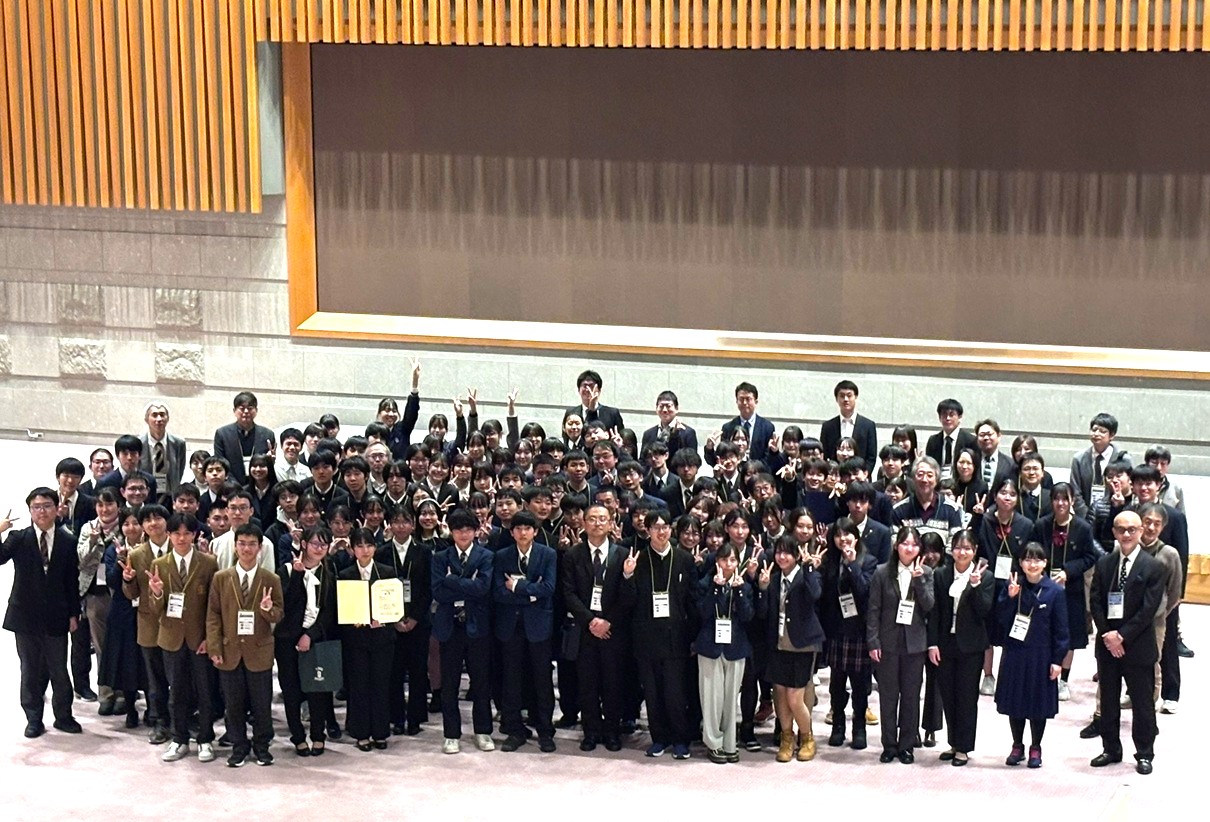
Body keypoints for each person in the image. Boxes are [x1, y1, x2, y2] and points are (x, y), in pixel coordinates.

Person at [0, 488, 82, 738]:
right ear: (30, 511)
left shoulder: (68, 540)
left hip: (57, 614)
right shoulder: (18, 538)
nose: (42, 511)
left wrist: (74, 614)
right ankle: (33, 718)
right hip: (24, 616)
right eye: (36, 507)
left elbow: (72, 580)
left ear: (57, 509)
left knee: (59, 669)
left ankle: (64, 716)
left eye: (47, 506)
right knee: (30, 669)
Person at [1089, 511, 1163, 775]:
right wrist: (1108, 634)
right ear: (1114, 533)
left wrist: (1122, 636)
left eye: (1132, 529)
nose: (1127, 534)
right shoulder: (1105, 563)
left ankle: (1144, 752)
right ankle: (1111, 748)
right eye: (1121, 529)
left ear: (1141, 531)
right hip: (1107, 645)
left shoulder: (1153, 566)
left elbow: (1148, 610)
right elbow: (1095, 601)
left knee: (1142, 703)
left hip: (1137, 646)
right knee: (1108, 701)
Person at [619, 508, 696, 760]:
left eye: (665, 527)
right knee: (652, 692)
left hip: (676, 637)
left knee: (676, 693)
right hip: (646, 637)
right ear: (648, 530)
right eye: (656, 527)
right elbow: (627, 602)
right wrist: (627, 575)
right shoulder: (637, 559)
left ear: (670, 530)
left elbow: (691, 601)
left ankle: (680, 739)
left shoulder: (683, 558)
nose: (661, 532)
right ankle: (659, 738)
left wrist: (692, 637)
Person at [205, 523, 284, 767]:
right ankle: (238, 746)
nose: (247, 549)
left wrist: (268, 610)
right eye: (242, 544)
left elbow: (279, 614)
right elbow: (213, 615)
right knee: (233, 704)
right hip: (230, 649)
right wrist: (214, 648)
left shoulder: (271, 579)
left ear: (260, 548)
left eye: (252, 544)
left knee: (262, 704)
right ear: (235, 547)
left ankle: (262, 746)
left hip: (259, 650)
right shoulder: (221, 578)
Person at [149, 512, 219, 763]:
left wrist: (210, 638)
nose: (181, 538)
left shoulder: (208, 563)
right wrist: (157, 593)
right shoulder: (160, 564)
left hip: (199, 639)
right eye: (176, 533)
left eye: (187, 533)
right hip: (171, 637)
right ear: (168, 535)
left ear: (195, 535)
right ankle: (179, 739)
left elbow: (214, 606)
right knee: (176, 692)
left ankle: (205, 739)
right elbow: (156, 609)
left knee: (204, 691)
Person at [995, 542, 1069, 769]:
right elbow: (1000, 620)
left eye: (1037, 560)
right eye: (1027, 559)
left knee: (1038, 704)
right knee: (1015, 701)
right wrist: (1010, 598)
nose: (1032, 564)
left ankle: (1036, 746)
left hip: (1042, 655)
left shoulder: (1055, 591)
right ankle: (1017, 745)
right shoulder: (1013, 585)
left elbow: (1061, 630)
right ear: (1020, 563)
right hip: (1015, 652)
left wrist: (1057, 661)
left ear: (1045, 563)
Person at [562, 504, 628, 752]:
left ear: (611, 523)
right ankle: (590, 731)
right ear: (584, 523)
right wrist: (590, 621)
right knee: (587, 684)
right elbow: (568, 593)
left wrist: (608, 621)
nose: (597, 523)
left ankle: (612, 731)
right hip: (584, 629)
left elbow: (628, 595)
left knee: (613, 683)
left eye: (602, 519)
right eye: (592, 519)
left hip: (613, 630)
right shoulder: (573, 554)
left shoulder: (623, 554)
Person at [866, 526, 934, 764]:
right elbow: (873, 609)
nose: (909, 548)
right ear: (896, 546)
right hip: (887, 642)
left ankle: (906, 745)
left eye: (914, 544)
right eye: (905, 543)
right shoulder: (882, 572)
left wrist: (918, 581)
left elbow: (929, 606)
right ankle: (889, 744)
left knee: (911, 696)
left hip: (915, 644)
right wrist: (873, 641)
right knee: (888, 696)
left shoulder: (926, 572)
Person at [492, 511, 558, 752]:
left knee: (542, 679)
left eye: (527, 529)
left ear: (535, 532)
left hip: (538, 625)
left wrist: (518, 587)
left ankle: (545, 730)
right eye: (518, 529)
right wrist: (530, 593)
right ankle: (514, 730)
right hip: (510, 626)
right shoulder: (502, 556)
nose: (522, 533)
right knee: (511, 679)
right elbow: (499, 592)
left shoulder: (548, 554)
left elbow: (548, 588)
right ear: (511, 532)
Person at [431, 508, 495, 754]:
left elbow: (483, 588)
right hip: (449, 626)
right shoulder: (441, 557)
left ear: (476, 531)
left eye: (468, 529)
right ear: (451, 531)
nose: (463, 534)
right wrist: (468, 584)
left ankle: (483, 731)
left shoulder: (486, 556)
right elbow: (438, 592)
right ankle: (451, 734)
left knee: (481, 681)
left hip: (477, 625)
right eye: (458, 529)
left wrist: (452, 580)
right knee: (450, 683)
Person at [757, 534, 824, 763]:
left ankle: (807, 737)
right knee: (781, 696)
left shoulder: (807, 574)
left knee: (795, 697)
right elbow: (763, 613)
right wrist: (763, 588)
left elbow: (815, 594)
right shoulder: (774, 579)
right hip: (777, 644)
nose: (782, 557)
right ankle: (787, 738)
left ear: (796, 555)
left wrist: (809, 568)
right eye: (779, 552)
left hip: (802, 644)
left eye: (787, 552)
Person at [927, 529, 991, 766]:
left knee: (967, 697)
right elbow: (934, 612)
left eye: (967, 548)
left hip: (971, 646)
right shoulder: (941, 574)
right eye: (958, 548)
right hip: (946, 643)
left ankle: (964, 747)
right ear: (951, 550)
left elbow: (984, 610)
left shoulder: (985, 576)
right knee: (948, 695)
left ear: (975, 551)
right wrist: (932, 643)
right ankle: (953, 743)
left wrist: (974, 586)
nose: (962, 552)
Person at [1030, 483, 1099, 701]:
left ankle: (1063, 680)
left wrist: (1068, 571)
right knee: (1042, 632)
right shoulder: (1041, 525)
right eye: (1056, 499)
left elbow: (1090, 557)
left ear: (1072, 501)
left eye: (1065, 499)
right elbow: (1032, 551)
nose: (1061, 503)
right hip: (1043, 587)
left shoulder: (1082, 527)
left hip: (1071, 590)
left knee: (1068, 636)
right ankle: (1042, 674)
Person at [276, 525, 338, 757]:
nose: (319, 548)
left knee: (318, 689)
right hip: (287, 639)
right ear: (304, 544)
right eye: (315, 543)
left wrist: (310, 635)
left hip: (316, 636)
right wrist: (298, 575)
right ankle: (298, 736)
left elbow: (330, 612)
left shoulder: (329, 573)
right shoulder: (286, 570)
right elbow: (285, 606)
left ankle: (318, 735)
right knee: (291, 689)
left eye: (324, 544)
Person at [819, 517, 877, 750]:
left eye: (847, 534)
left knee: (860, 684)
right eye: (838, 535)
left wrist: (852, 564)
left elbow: (864, 592)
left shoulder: (869, 561)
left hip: (859, 631)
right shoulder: (830, 561)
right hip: (836, 631)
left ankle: (859, 727)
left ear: (856, 536)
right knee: (836, 684)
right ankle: (838, 725)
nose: (843, 539)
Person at [375, 506, 432, 736]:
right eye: (396, 522)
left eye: (405, 521)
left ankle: (416, 718)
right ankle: (396, 717)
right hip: (391, 621)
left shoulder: (424, 551)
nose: (400, 526)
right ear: (389, 525)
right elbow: (378, 588)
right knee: (394, 671)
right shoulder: (381, 551)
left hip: (418, 620)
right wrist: (395, 618)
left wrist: (415, 617)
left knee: (418, 670)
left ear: (413, 524)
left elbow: (428, 588)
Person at [696, 543, 753, 764]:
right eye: (724, 559)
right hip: (710, 647)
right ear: (716, 561)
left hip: (735, 647)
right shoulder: (705, 583)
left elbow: (748, 616)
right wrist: (716, 587)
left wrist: (738, 591)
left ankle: (730, 743)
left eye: (732, 560)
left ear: (738, 562)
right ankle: (713, 743)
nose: (728, 564)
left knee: (730, 700)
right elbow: (702, 613)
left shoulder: (744, 585)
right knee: (712, 698)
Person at [120, 503, 173, 743]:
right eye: (148, 520)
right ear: (143, 526)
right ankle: (160, 721)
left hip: (177, 623)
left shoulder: (180, 548)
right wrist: (128, 580)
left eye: (158, 518)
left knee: (181, 677)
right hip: (149, 624)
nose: (154, 523)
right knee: (155, 679)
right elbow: (131, 594)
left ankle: (182, 720)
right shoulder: (136, 555)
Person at [339, 528, 395, 752]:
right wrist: (353, 620)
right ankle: (361, 732)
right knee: (359, 685)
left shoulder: (386, 572)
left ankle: (380, 732)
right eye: (360, 546)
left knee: (381, 684)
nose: (365, 550)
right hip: (356, 639)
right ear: (352, 549)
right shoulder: (345, 574)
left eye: (369, 545)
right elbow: (341, 609)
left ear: (375, 547)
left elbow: (395, 605)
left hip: (382, 638)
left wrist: (385, 619)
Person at [976, 477, 1033, 696]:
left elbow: (1028, 555)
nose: (1007, 497)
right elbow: (975, 546)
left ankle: (1008, 675)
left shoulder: (1025, 525)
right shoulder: (985, 520)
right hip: (989, 583)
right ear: (995, 495)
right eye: (1003, 492)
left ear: (1017, 499)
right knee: (987, 632)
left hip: (1014, 584)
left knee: (1013, 631)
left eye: (1012, 494)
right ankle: (988, 675)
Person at [1069, 412, 1129, 519]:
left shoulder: (1123, 458)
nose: (1096, 434)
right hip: (1085, 516)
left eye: (1102, 431)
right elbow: (1075, 491)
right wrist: (1088, 517)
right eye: (1094, 430)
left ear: (1112, 435)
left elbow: (1128, 488)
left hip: (1114, 514)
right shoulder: (1079, 459)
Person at [212, 391, 277, 484]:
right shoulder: (222, 434)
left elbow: (269, 466)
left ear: (256, 410)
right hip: (230, 486)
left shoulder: (267, 434)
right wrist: (234, 486)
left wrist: (271, 461)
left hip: (259, 486)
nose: (246, 412)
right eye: (242, 408)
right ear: (234, 411)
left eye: (250, 408)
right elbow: (220, 463)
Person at [708, 381, 774, 465]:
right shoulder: (728, 427)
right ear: (736, 401)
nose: (745, 403)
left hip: (759, 471)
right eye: (741, 399)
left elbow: (769, 458)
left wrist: (753, 468)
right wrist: (709, 448)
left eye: (748, 399)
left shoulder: (767, 427)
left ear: (756, 401)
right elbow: (720, 459)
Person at [819, 380, 878, 474]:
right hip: (835, 477)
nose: (846, 399)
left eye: (849, 395)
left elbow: (871, 457)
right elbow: (825, 455)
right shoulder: (828, 426)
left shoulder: (868, 425)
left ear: (856, 397)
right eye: (842, 396)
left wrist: (863, 475)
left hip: (860, 478)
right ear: (836, 399)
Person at [140, 402, 187, 504]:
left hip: (170, 495)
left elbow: (180, 469)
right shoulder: (139, 443)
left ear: (167, 418)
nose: (159, 419)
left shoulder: (179, 443)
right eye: (154, 415)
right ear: (146, 419)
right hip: (146, 496)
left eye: (162, 415)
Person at [924, 399, 976, 481]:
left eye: (951, 415)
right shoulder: (933, 441)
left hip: (961, 483)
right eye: (944, 415)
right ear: (939, 418)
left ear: (959, 417)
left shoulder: (970, 440)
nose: (948, 418)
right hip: (938, 483)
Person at [641, 390, 698, 455]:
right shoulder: (648, 434)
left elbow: (692, 459)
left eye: (668, 406)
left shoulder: (688, 433)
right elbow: (642, 459)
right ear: (656, 408)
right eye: (661, 406)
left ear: (676, 408)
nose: (664, 410)